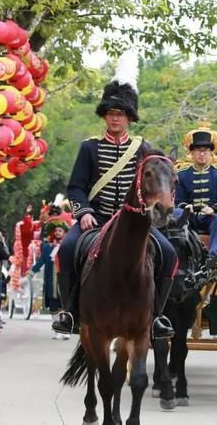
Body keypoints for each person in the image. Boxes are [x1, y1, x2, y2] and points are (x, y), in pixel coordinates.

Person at [54, 51, 177, 339]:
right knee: (67, 250)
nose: (114, 118)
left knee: (169, 254)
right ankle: (69, 311)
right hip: (95, 220)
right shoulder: (90, 147)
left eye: (120, 114)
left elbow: (157, 180)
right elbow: (76, 187)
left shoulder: (144, 149)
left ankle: (157, 315)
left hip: (134, 222)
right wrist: (82, 212)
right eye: (110, 113)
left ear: (129, 117)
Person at [174, 124, 217, 258]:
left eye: (205, 150)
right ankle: (176, 251)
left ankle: (214, 256)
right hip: (190, 216)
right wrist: (186, 207)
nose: (202, 154)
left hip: (210, 217)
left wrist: (214, 209)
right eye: (198, 150)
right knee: (176, 212)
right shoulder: (182, 174)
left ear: (211, 153)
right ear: (192, 153)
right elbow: (178, 200)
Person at [25, 215, 70, 339]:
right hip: (51, 282)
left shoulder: (68, 246)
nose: (57, 233)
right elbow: (40, 262)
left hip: (65, 281)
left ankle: (65, 330)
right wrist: (29, 275)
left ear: (65, 232)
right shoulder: (47, 247)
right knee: (54, 307)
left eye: (60, 231)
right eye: (55, 231)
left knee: (65, 306)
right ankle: (57, 330)